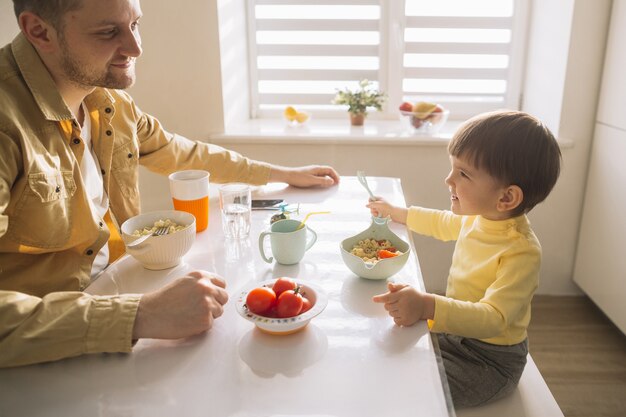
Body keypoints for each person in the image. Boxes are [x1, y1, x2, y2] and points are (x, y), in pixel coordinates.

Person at [0, 0, 339, 368]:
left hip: (113, 300)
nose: (136, 47)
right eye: (109, 32)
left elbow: (182, 152)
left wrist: (281, 174)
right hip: (38, 357)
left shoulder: (107, 101)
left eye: (136, 24)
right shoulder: (7, 123)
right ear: (38, 31)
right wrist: (139, 315)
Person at [367, 110, 561, 408]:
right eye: (452, 168)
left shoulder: (520, 251)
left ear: (507, 198)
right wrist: (398, 213)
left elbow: (494, 319)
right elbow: (442, 223)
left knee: (414, 388)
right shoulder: (480, 218)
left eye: (463, 173)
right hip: (454, 335)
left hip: (489, 361)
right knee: (389, 354)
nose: (449, 179)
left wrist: (428, 304)